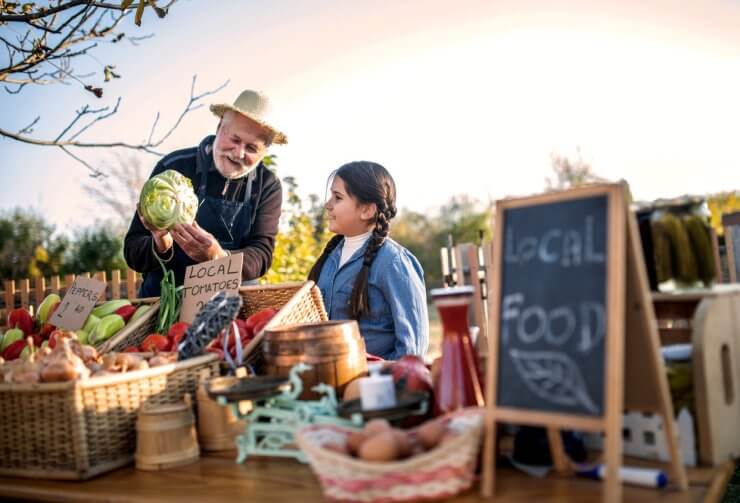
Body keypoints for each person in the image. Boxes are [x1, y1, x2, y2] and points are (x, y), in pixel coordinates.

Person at [124, 89, 286, 297]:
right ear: (219, 128)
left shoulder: (267, 185)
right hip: (166, 303)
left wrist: (218, 257)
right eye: (235, 140)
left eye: (252, 148)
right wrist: (161, 243)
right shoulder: (174, 167)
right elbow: (133, 251)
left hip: (229, 306)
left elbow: (262, 253)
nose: (239, 153)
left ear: (264, 152)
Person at [308, 161, 429, 360]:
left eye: (337, 197)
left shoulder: (394, 262)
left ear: (367, 210)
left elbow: (412, 349)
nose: (327, 204)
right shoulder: (329, 257)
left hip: (374, 384)